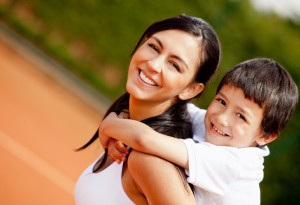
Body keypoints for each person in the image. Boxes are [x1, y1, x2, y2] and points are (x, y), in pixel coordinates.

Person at [99, 58, 299, 204]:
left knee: (145, 159)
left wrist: (109, 125)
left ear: (266, 136)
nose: (222, 118)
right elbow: (161, 108)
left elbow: (143, 139)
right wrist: (124, 117)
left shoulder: (236, 164)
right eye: (221, 101)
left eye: (241, 116)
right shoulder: (210, 123)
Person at [74, 14, 221, 205]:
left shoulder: (150, 161)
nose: (153, 64)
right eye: (154, 47)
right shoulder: (124, 123)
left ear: (190, 90)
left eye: (174, 65)